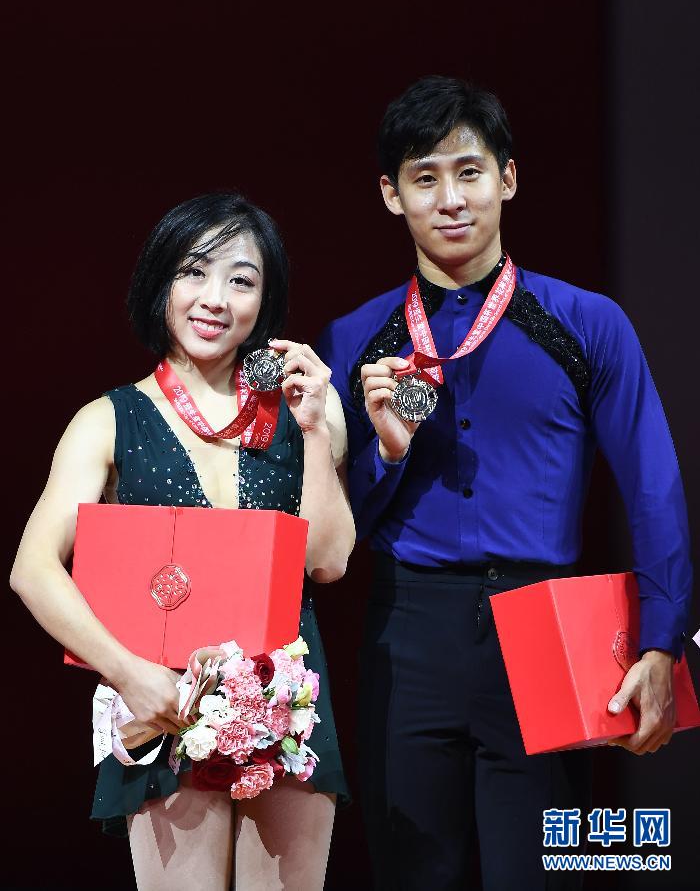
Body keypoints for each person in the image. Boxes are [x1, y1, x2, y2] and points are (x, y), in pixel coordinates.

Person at [315, 76, 692, 890]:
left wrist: (663, 642)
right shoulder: (353, 341)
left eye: (470, 172)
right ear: (391, 195)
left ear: (508, 178)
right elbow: (332, 537)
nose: (451, 199)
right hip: (407, 633)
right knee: (413, 874)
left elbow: (654, 489)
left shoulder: (588, 324)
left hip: (551, 628)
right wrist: (386, 453)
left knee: (547, 874)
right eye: (425, 178)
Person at [11, 192, 354, 890]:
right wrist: (128, 674)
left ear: (266, 300)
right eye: (193, 271)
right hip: (165, 706)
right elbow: (33, 568)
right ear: (160, 281)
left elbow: (327, 562)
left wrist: (317, 430)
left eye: (241, 280)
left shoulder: (304, 412)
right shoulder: (108, 419)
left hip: (288, 708)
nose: (214, 298)